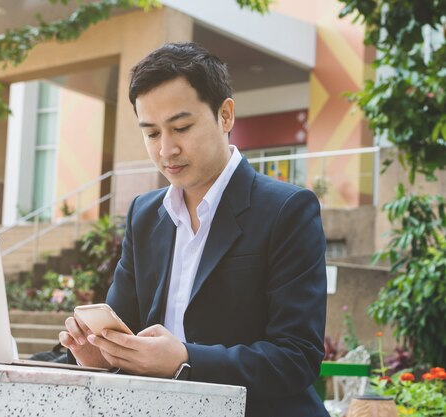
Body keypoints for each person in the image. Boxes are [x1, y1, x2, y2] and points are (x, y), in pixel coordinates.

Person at [59, 42, 329, 417]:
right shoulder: (144, 214)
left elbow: (296, 358)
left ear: (226, 115)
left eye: (181, 127)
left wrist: (185, 360)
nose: (167, 149)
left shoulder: (287, 210)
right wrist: (102, 354)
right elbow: (124, 330)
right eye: (152, 134)